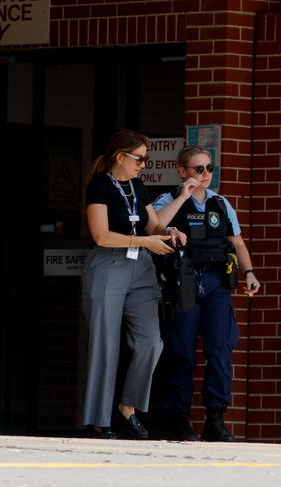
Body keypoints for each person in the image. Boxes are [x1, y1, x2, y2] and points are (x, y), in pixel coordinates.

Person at [82, 129, 187, 440]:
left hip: (140, 267)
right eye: (139, 158)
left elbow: (153, 224)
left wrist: (170, 232)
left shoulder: (138, 186)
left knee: (151, 342)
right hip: (108, 265)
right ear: (121, 156)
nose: (143, 164)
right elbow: (101, 235)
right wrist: (146, 240)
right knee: (106, 345)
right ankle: (100, 420)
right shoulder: (99, 186)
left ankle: (128, 406)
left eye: (145, 159)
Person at [153, 144, 260, 442]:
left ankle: (216, 416)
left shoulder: (221, 204)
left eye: (209, 168)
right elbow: (156, 225)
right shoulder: (169, 199)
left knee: (220, 349)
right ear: (182, 170)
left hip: (216, 283)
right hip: (183, 283)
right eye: (198, 169)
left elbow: (237, 243)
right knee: (182, 352)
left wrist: (249, 272)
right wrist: (184, 195)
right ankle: (180, 417)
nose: (205, 174)